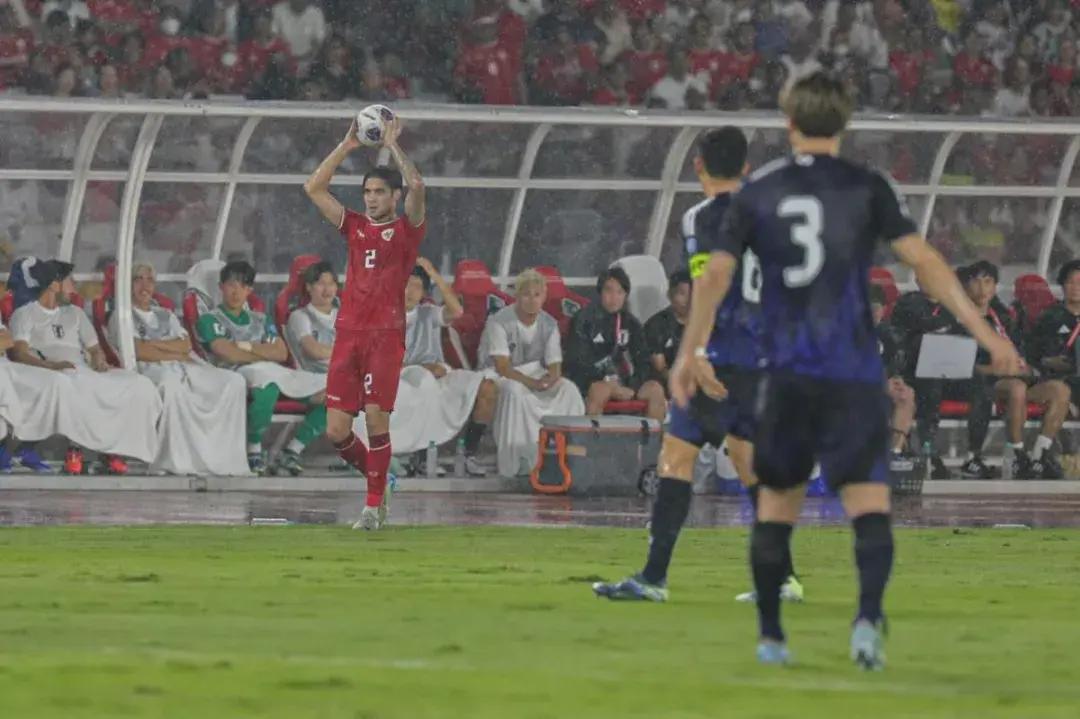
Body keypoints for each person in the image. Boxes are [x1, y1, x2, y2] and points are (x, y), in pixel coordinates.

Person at [671, 72, 1020, 668]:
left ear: (789, 122)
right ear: (845, 122)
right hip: (851, 371)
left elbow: (716, 277)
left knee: (776, 506)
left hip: (785, 372)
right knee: (868, 505)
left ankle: (772, 638)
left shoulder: (760, 190)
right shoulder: (866, 186)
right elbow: (926, 263)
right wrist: (985, 331)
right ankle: (864, 624)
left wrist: (690, 351)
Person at [593, 128, 802, 606]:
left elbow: (711, 284)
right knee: (743, 461)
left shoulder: (702, 217)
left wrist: (698, 352)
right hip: (761, 358)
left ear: (698, 166)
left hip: (721, 356)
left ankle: (654, 577)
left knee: (677, 459)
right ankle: (782, 577)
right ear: (746, 168)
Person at [303, 113, 426, 530]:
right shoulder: (354, 227)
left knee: (375, 419)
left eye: (379, 192)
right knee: (337, 431)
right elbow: (313, 188)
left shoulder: (407, 231)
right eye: (367, 192)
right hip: (348, 335)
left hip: (385, 337)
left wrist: (391, 146)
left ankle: (372, 508)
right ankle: (381, 479)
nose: (371, 199)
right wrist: (348, 145)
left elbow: (418, 186)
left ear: (394, 196)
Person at [10, 259, 162, 474]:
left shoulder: (76, 313)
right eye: (69, 282)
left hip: (82, 369)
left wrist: (99, 359)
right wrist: (50, 365)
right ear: (54, 285)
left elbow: (94, 348)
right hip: (48, 372)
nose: (74, 289)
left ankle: (113, 449)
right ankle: (74, 450)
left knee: (138, 384)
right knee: (70, 383)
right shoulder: (25, 314)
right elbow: (19, 353)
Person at [109, 262, 249, 476]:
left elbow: (185, 346)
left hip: (186, 363)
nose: (145, 286)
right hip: (149, 368)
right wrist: (171, 349)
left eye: (150, 280)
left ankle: (222, 458)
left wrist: (156, 345)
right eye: (138, 280)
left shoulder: (166, 314)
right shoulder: (121, 316)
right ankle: (175, 459)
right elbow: (138, 351)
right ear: (128, 285)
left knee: (233, 381)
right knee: (171, 385)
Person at [195, 260, 326, 476]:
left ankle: (293, 450)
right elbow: (226, 353)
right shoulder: (210, 319)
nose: (236, 292)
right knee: (266, 383)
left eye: (243, 286)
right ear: (221, 287)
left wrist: (244, 346)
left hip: (272, 370)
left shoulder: (261, 319)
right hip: (233, 374)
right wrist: (262, 351)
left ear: (250, 290)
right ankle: (254, 449)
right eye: (231, 285)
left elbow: (281, 353)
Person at [959, 261, 1068, 479]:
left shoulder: (1006, 318)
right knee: (1016, 388)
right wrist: (997, 369)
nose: (982, 288)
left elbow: (1024, 353)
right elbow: (960, 365)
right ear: (966, 286)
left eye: (988, 282)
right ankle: (1017, 454)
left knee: (1059, 390)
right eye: (976, 282)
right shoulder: (959, 320)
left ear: (995, 287)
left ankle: (1039, 455)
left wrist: (1027, 367)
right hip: (984, 384)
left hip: (1016, 378)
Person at [477, 269, 584, 478]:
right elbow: (502, 366)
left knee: (568, 390)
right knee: (515, 392)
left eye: (537, 295)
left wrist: (550, 379)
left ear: (544, 297)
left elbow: (554, 363)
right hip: (502, 374)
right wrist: (533, 384)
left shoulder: (549, 323)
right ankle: (519, 461)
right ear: (517, 296)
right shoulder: (499, 321)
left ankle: (566, 456)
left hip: (535, 372)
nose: (532, 300)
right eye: (526, 294)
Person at [400, 258, 495, 476]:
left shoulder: (428, 312)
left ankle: (468, 454)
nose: (410, 292)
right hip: (404, 379)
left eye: (417, 286)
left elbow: (457, 311)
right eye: (405, 285)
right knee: (424, 384)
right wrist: (423, 367)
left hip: (439, 374)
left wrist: (434, 275)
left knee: (488, 388)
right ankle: (421, 457)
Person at [564, 267, 666, 421]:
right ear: (600, 292)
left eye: (620, 292)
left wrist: (632, 386)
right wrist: (609, 385)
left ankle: (653, 436)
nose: (614, 297)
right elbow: (576, 363)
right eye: (609, 290)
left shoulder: (631, 323)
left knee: (655, 389)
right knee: (600, 390)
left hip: (626, 383)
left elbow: (644, 362)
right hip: (595, 382)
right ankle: (591, 436)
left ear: (626, 295)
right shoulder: (583, 320)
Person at [870, 285, 915, 455]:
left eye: (876, 308)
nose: (872, 313)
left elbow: (894, 364)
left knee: (906, 394)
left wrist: (897, 379)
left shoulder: (888, 334)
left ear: (884, 309)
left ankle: (895, 451)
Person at [1029, 259, 1080, 408]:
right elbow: (1032, 354)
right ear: (1062, 285)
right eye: (1070, 282)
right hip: (1059, 379)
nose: (1076, 287)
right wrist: (1047, 361)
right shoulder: (1049, 317)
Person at [643, 269, 690, 389]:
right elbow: (661, 370)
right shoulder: (655, 325)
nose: (688, 300)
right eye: (682, 294)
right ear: (669, 294)